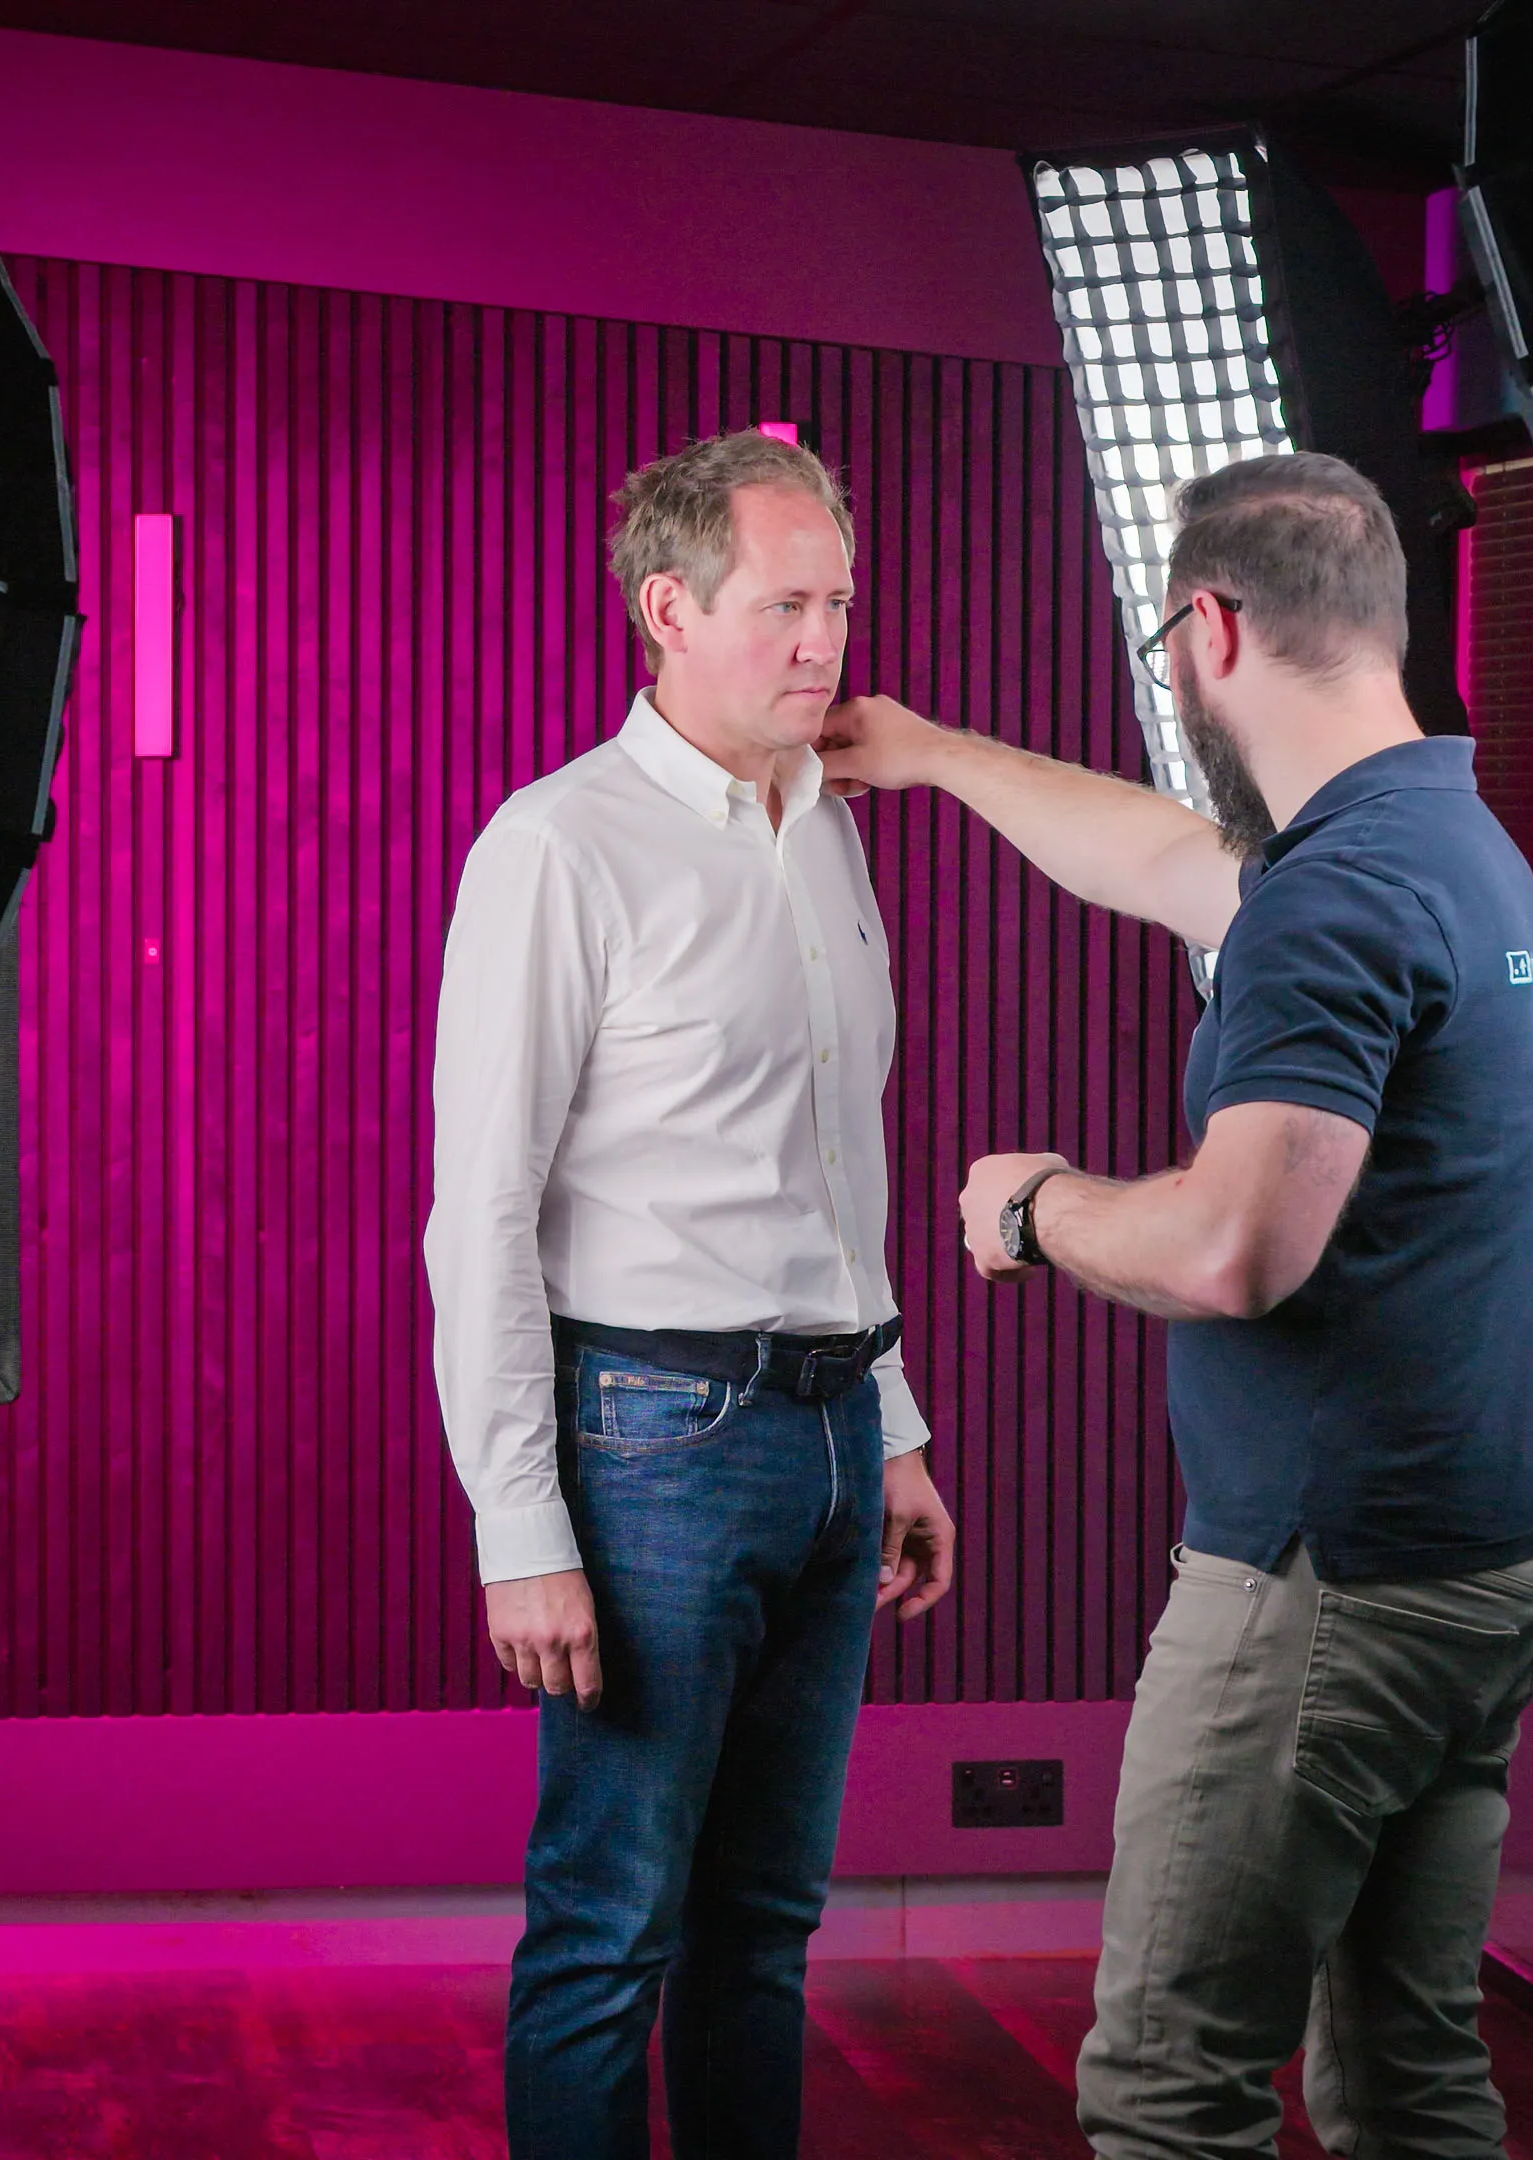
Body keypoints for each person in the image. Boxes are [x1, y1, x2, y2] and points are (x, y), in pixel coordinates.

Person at [820, 451, 1533, 2159]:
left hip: (1332, 1585)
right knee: (1408, 2078)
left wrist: (1037, 1204)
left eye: (1169, 634)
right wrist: (936, 754)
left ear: (1212, 629)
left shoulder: (1335, 898)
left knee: (1170, 2093)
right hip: (1488, 1562)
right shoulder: (1451, 844)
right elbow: (1170, 854)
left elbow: (1240, 1249)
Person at [425, 427, 961, 2160]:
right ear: (667, 606)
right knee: (610, 1934)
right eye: (787, 604)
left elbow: (840, 1172)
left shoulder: (827, 831)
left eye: (841, 603)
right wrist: (522, 1523)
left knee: (768, 1935)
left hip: (823, 1435)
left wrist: (891, 1428)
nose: (825, 641)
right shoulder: (557, 846)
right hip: (650, 1438)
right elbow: (479, 1214)